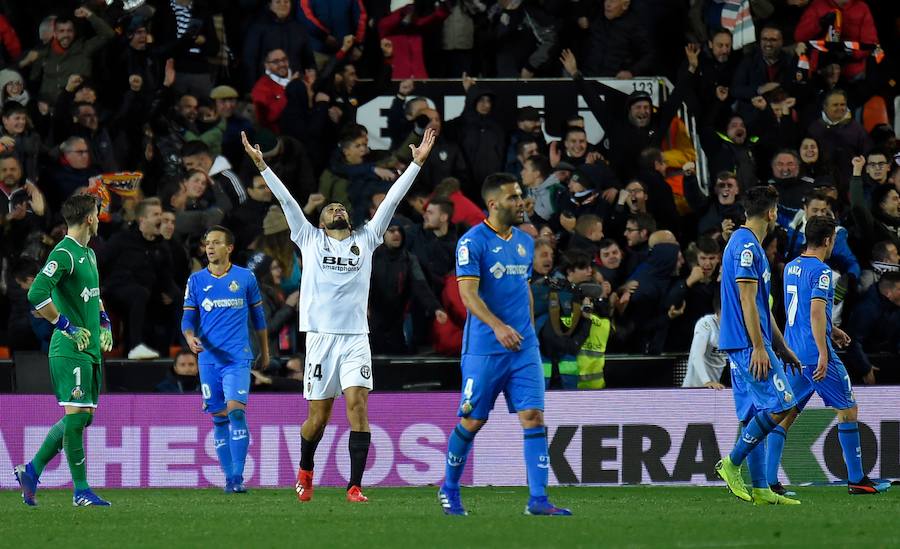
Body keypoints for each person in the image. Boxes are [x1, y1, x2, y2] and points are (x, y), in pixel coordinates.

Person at [245, 128, 436, 503]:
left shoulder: (366, 239)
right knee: (318, 417)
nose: (337, 208)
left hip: (354, 339)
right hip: (319, 339)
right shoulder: (310, 239)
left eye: (342, 208)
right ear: (319, 222)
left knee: (358, 406)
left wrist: (415, 164)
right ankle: (305, 468)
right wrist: (263, 166)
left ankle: (354, 486)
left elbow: (391, 202)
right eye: (331, 208)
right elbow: (286, 202)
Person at [438, 172, 571, 516]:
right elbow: (467, 294)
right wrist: (498, 327)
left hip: (522, 348)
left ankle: (538, 500)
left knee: (533, 416)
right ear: (494, 204)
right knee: (472, 421)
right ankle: (449, 488)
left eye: (520, 196)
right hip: (485, 348)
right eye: (513, 197)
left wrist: (527, 332)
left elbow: (523, 288)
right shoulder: (472, 242)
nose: (521, 202)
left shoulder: (526, 242)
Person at [772, 215, 891, 495]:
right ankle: (857, 479)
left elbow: (802, 312)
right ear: (828, 241)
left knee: (783, 415)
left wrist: (833, 328)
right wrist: (825, 351)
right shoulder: (823, 272)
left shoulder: (791, 267)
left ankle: (770, 482)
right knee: (848, 410)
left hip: (793, 353)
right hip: (815, 353)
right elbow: (814, 312)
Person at [16, 194, 113, 507]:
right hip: (69, 347)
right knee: (76, 417)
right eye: (97, 213)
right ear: (88, 218)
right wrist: (65, 325)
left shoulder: (89, 254)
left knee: (83, 418)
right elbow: (36, 292)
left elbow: (93, 295)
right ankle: (81, 490)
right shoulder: (65, 253)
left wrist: (105, 323)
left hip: (89, 348)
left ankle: (31, 470)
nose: (98, 218)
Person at [715, 185, 801, 505]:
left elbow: (763, 309)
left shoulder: (747, 244)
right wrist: (759, 348)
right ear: (772, 212)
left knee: (756, 412)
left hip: (751, 342)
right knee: (782, 404)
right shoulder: (747, 247)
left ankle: (762, 489)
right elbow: (747, 301)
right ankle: (731, 463)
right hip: (747, 344)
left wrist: (780, 346)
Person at [181, 225, 269, 494]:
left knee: (236, 411)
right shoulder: (195, 281)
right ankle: (229, 476)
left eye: (216, 242)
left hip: (237, 358)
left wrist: (265, 352)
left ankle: (238, 476)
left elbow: (259, 319)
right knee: (219, 419)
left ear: (229, 248)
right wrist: (188, 336)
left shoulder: (245, 278)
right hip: (207, 360)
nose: (209, 247)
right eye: (207, 242)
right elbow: (188, 317)